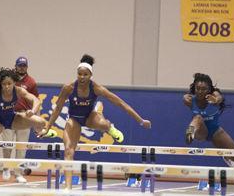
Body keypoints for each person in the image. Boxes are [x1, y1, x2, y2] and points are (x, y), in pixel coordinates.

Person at [38, 54, 151, 188]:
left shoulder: (97, 88)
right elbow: (57, 109)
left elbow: (121, 104)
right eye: (79, 74)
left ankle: (110, 129)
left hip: (90, 117)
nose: (82, 77)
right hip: (74, 120)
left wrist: (140, 120)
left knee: (103, 124)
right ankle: (68, 188)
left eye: (85, 74)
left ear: (91, 75)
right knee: (68, 151)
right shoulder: (68, 88)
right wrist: (47, 127)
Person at [0, 67, 56, 180]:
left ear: (14, 83)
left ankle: (39, 131)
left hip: (12, 119)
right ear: (0, 84)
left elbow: (36, 100)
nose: (7, 87)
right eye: (4, 84)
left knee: (39, 121)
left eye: (9, 84)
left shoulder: (18, 91)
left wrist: (33, 111)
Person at [183, 73, 234, 167]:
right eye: (198, 88)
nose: (200, 91)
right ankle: (189, 133)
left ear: (209, 89)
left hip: (215, 131)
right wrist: (184, 97)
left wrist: (216, 100)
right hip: (200, 131)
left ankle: (227, 156)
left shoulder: (214, 95)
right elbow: (185, 98)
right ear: (194, 88)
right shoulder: (189, 100)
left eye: (203, 89)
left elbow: (219, 98)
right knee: (198, 118)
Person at [0, 56, 38, 183]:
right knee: (7, 144)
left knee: (21, 147)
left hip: (24, 116)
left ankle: (18, 173)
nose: (22, 68)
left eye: (24, 66)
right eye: (19, 65)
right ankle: (6, 169)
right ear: (15, 66)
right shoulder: (9, 79)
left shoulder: (31, 82)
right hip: (8, 115)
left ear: (27, 67)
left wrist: (35, 118)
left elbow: (36, 101)